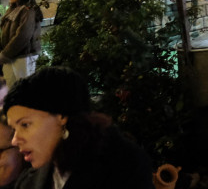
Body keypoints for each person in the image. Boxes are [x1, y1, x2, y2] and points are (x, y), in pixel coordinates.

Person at [4, 66, 153, 189]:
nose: (15, 141)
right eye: (14, 129)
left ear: (61, 116)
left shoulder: (123, 167)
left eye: (25, 125)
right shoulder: (29, 181)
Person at [0, 0, 42, 86]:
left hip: (24, 57)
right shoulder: (13, 9)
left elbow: (22, 36)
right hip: (11, 56)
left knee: (25, 90)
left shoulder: (28, 10)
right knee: (12, 89)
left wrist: (5, 54)